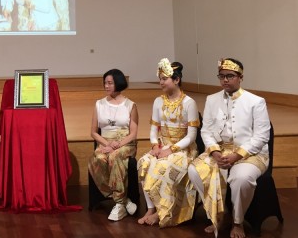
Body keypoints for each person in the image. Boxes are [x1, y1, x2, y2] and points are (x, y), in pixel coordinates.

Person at [188, 58, 270, 238]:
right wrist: (215, 152)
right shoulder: (212, 99)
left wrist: (237, 156)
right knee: (195, 171)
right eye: (222, 76)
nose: (225, 80)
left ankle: (237, 221)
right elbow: (206, 130)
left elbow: (262, 136)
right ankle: (218, 213)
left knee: (240, 178)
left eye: (230, 76)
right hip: (220, 151)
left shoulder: (256, 101)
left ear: (240, 77)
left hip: (251, 154)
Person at [137, 59, 199, 227]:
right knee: (143, 162)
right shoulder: (158, 101)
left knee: (162, 167)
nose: (161, 82)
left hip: (182, 149)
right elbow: (153, 129)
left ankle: (161, 211)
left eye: (164, 78)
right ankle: (151, 208)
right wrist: (155, 145)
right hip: (162, 146)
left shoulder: (189, 103)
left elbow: (191, 136)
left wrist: (171, 150)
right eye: (160, 78)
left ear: (176, 80)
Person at [88, 69, 139, 221]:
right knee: (97, 159)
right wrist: (107, 144)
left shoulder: (131, 105)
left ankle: (118, 203)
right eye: (105, 83)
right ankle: (123, 200)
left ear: (118, 83)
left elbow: (133, 134)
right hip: (105, 142)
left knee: (115, 157)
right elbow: (93, 132)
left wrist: (116, 145)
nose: (106, 86)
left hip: (125, 143)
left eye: (110, 83)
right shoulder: (99, 104)